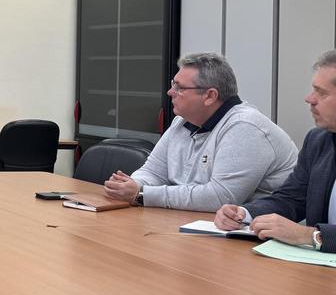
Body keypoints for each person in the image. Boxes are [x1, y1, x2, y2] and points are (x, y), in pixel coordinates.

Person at [103, 52, 297, 211]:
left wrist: (142, 194)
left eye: (179, 88)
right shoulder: (181, 122)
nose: (170, 92)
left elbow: (220, 197)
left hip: (254, 236)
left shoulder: (245, 127)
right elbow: (154, 172)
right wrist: (131, 185)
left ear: (210, 96)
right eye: (173, 84)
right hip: (195, 222)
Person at [215, 49, 336, 253]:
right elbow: (292, 198)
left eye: (321, 92)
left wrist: (312, 236)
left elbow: (308, 234)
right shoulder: (319, 141)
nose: (309, 98)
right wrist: (243, 214)